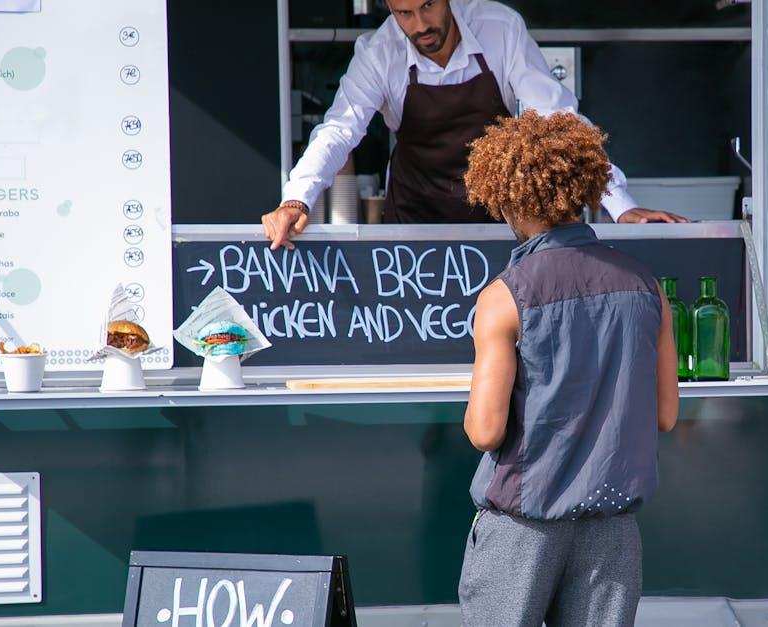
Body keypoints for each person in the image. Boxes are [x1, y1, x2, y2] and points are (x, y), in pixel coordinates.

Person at [457, 111, 679, 626]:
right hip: (612, 528)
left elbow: (485, 431)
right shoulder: (647, 286)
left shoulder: (504, 296)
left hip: (524, 528)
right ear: (584, 188)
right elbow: (665, 416)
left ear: (506, 196)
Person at [262, 0, 685, 250]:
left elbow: (560, 120)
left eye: (428, 5)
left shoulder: (500, 29)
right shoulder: (379, 52)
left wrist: (621, 206)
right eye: (404, 12)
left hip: (501, 221)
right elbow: (339, 130)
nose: (421, 25)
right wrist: (296, 200)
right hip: (414, 222)